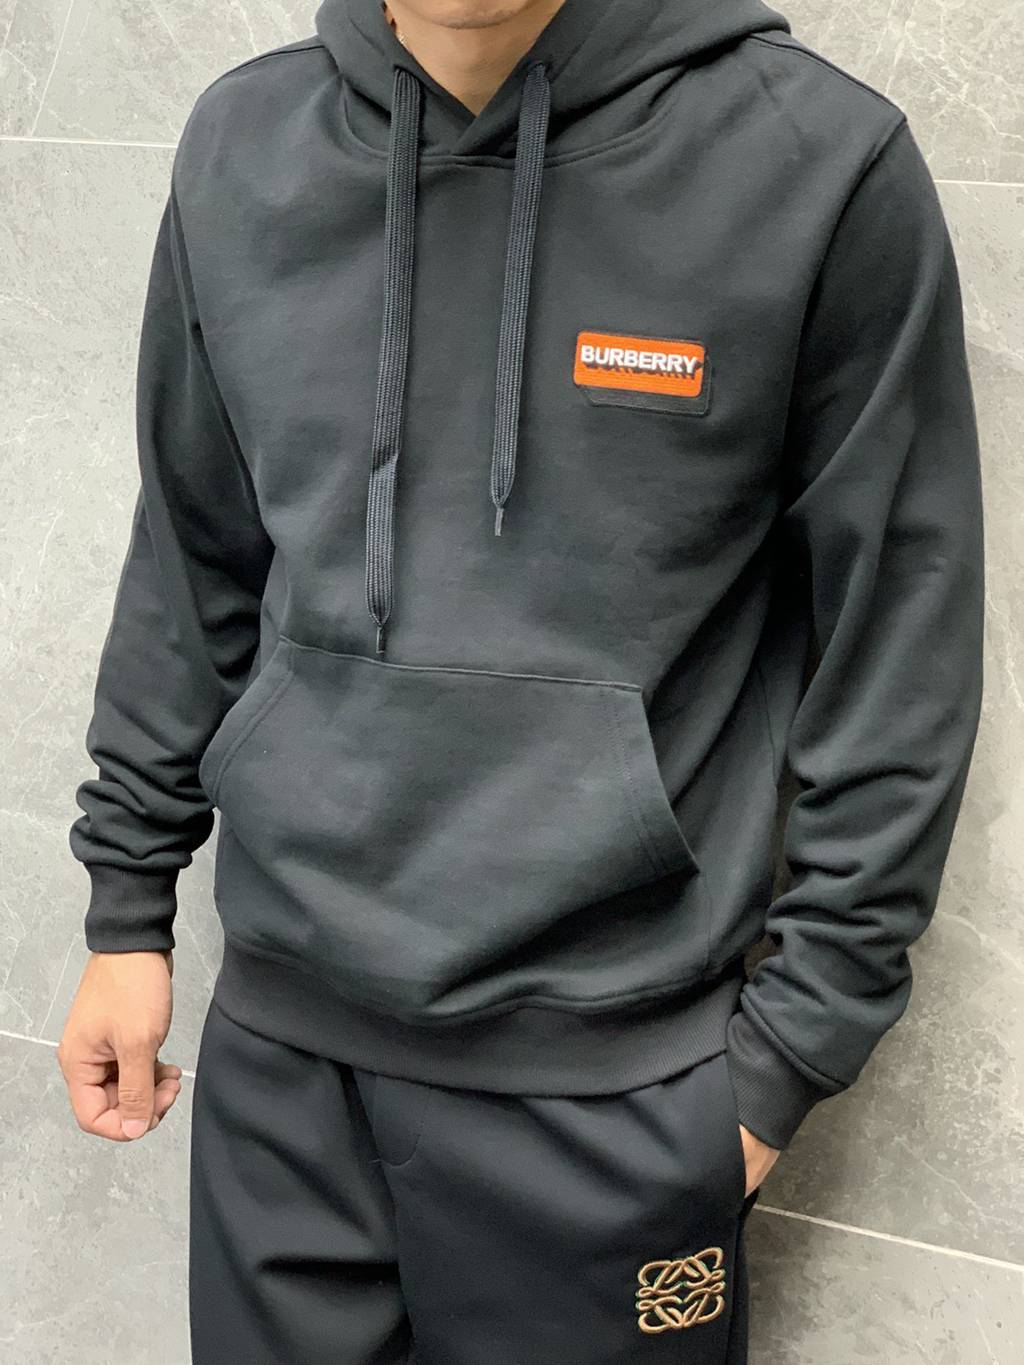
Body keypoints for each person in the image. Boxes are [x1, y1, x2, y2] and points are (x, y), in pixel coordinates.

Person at [56, 0, 985, 1359]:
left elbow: (901, 640)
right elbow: (191, 558)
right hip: (281, 1067)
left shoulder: (815, 164)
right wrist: (127, 911)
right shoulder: (244, 145)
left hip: (613, 1095)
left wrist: (784, 1060)